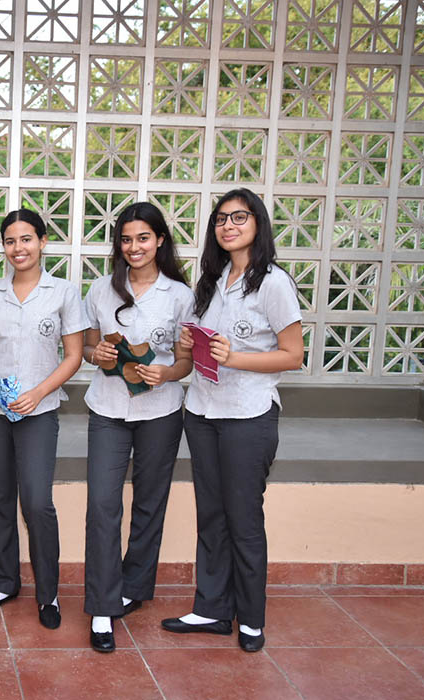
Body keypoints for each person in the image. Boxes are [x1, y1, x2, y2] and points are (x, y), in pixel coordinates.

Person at [161, 188, 303, 652]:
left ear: (258, 223)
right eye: (221, 219)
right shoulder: (211, 280)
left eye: (239, 217)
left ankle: (251, 619)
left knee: (243, 520)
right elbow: (200, 349)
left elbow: (293, 355)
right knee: (213, 516)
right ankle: (211, 608)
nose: (228, 226)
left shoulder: (274, 283)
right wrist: (189, 343)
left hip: (248, 415)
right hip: (202, 412)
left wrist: (234, 357)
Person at [81, 202, 194, 653]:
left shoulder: (181, 296)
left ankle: (133, 587)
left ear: (160, 241)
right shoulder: (99, 291)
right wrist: (97, 356)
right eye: (126, 240)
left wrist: (167, 373)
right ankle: (104, 608)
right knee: (103, 505)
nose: (134, 247)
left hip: (162, 411)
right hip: (107, 409)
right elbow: (88, 344)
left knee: (150, 503)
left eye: (143, 238)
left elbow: (187, 360)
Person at [0, 209, 86, 629]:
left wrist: (38, 392)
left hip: (39, 410)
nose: (19, 248)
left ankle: (48, 594)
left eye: (27, 239)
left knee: (36, 501)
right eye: (11, 241)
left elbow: (74, 356)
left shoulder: (64, 293)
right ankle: (3, 582)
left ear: (43, 242)